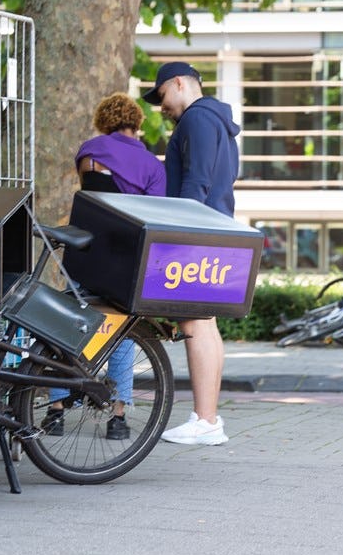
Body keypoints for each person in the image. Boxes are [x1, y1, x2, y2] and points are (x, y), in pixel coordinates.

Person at [41, 92, 165, 441]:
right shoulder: (154, 166)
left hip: (86, 249)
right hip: (126, 257)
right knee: (122, 332)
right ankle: (118, 416)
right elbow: (156, 216)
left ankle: (56, 410)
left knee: (70, 324)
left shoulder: (89, 150)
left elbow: (92, 195)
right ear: (137, 124)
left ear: (104, 120)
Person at [142, 61, 240, 446]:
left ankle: (205, 419)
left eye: (162, 96)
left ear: (180, 83)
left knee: (193, 324)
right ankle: (209, 419)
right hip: (215, 230)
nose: (161, 107)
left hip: (197, 233)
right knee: (206, 324)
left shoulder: (197, 120)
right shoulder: (217, 121)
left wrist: (177, 233)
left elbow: (196, 180)